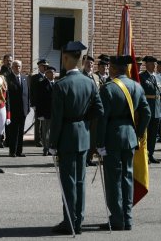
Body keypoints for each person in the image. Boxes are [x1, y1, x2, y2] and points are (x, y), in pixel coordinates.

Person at [49, 41, 104, 235]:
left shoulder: (61, 85)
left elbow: (56, 119)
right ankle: (78, 220)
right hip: (83, 135)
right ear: (80, 59)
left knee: (68, 181)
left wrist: (52, 144)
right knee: (80, 180)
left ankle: (69, 221)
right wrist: (82, 119)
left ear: (65, 58)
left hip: (66, 137)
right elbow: (99, 109)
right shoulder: (89, 82)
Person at [97, 55, 151, 231]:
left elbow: (102, 119)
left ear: (113, 68)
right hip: (130, 136)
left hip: (112, 138)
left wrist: (99, 143)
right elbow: (147, 113)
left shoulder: (108, 88)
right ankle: (128, 218)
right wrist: (139, 132)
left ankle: (117, 219)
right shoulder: (136, 86)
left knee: (113, 179)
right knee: (127, 178)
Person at [140, 55, 161, 164]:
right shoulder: (142, 77)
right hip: (147, 108)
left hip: (157, 109)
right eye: (152, 64)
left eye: (155, 64)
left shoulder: (159, 77)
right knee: (146, 134)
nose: (155, 66)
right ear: (147, 65)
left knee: (154, 135)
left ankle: (151, 154)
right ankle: (144, 155)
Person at [6, 60, 30, 157]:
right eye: (15, 66)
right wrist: (8, 110)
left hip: (23, 110)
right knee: (14, 132)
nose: (17, 68)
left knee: (21, 132)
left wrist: (28, 107)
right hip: (13, 110)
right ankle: (12, 151)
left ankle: (19, 151)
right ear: (12, 67)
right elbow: (7, 96)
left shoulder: (24, 78)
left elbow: (27, 94)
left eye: (19, 66)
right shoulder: (8, 79)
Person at [82, 55, 100, 166]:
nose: (90, 65)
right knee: (84, 135)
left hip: (94, 112)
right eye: (88, 63)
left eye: (92, 64)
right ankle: (83, 159)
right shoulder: (80, 75)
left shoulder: (96, 77)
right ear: (83, 63)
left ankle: (89, 158)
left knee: (93, 136)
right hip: (84, 111)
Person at [36, 65, 55, 156]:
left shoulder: (57, 84)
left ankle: (52, 148)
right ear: (46, 74)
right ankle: (46, 148)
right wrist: (40, 113)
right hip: (45, 112)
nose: (52, 74)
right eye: (50, 72)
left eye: (53, 73)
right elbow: (39, 100)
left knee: (53, 132)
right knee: (45, 132)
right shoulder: (42, 84)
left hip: (55, 113)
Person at [30, 59, 48, 147]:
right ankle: (37, 140)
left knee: (45, 123)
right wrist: (33, 104)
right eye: (43, 66)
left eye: (46, 66)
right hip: (37, 104)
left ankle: (44, 139)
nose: (45, 68)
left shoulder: (48, 77)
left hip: (46, 104)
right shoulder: (35, 78)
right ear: (39, 67)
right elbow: (32, 92)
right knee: (38, 123)